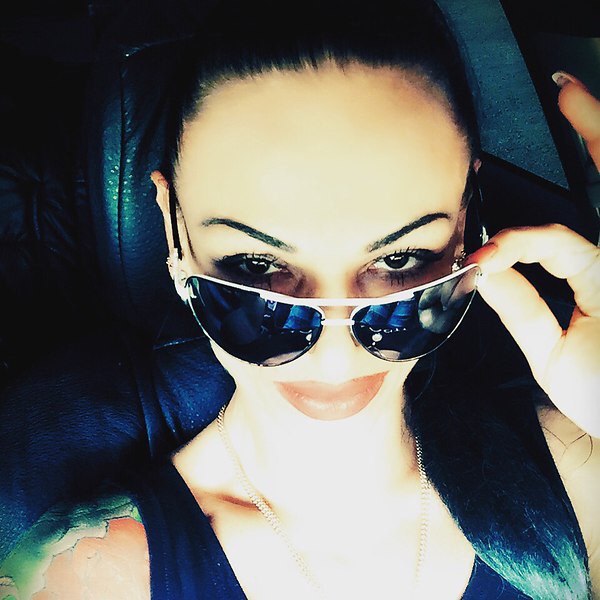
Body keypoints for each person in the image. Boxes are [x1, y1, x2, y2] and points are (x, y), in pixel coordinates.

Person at [1, 0, 599, 598]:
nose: (336, 359)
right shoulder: (87, 574)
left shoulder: (575, 467)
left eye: (399, 261)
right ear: (173, 230)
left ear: (466, 227)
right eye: (257, 267)